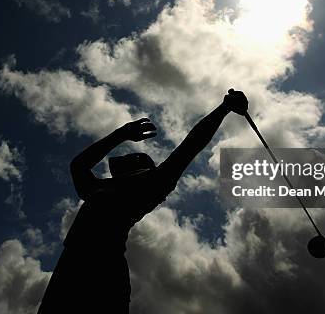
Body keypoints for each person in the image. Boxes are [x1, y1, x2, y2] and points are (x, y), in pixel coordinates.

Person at [37, 89, 248, 313]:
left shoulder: (152, 184)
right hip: (71, 267)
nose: (115, 172)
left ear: (137, 170)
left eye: (125, 164)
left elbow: (190, 146)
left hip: (103, 272)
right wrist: (121, 133)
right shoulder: (99, 188)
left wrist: (224, 108)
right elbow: (78, 166)